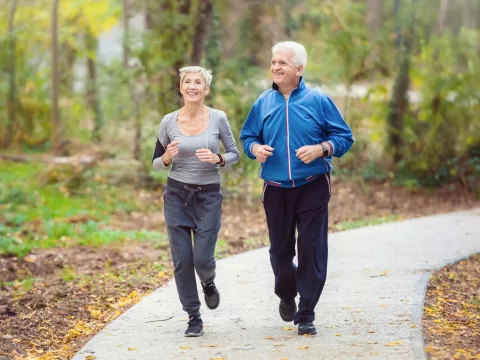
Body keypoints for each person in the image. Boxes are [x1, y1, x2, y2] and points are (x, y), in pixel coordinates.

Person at [240, 41, 354, 336]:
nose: (276, 67)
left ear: (299, 69)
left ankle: (306, 312)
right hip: (275, 188)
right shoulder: (263, 101)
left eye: (283, 63)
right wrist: (255, 149)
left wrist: (321, 149)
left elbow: (344, 137)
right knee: (280, 251)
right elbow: (248, 136)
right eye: (274, 62)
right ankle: (287, 293)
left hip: (312, 185)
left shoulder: (318, 100)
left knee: (311, 248)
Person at [152, 66, 240, 337]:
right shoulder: (168, 121)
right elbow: (156, 163)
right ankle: (193, 316)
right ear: (181, 88)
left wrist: (219, 159)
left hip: (208, 196)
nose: (192, 86)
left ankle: (209, 282)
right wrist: (166, 157)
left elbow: (235, 153)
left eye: (198, 83)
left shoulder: (218, 118)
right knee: (182, 260)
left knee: (202, 259)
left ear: (206, 89)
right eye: (187, 82)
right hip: (177, 195)